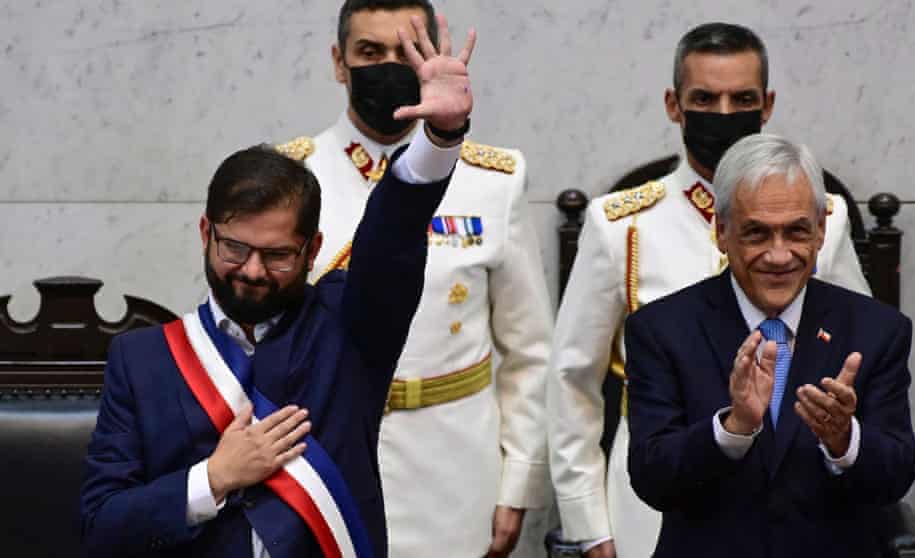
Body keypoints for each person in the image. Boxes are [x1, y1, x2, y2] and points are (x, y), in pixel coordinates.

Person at [79, 15, 475, 558]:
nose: (252, 271)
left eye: (278, 255)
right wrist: (214, 478)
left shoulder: (352, 328)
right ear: (205, 233)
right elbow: (102, 526)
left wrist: (441, 138)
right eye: (235, 249)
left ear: (312, 251)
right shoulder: (141, 360)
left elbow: (394, 231)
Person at [547, 23, 871, 557]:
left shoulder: (824, 220)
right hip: (657, 495)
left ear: (766, 105)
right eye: (705, 98)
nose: (723, 114)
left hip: (795, 488)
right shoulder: (622, 226)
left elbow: (862, 348)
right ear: (674, 105)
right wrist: (588, 524)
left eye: (741, 98)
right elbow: (571, 380)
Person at [276, 2, 552, 556]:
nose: (386, 66)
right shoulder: (289, 176)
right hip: (321, 460)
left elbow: (529, 351)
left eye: (402, 52)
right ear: (338, 62)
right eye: (368, 53)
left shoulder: (492, 180)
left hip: (452, 468)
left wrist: (517, 484)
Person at [626, 133, 915, 557]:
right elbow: (652, 478)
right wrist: (733, 429)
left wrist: (844, 440)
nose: (779, 256)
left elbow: (897, 475)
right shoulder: (660, 329)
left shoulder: (876, 330)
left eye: (796, 231)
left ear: (820, 230)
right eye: (757, 234)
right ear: (721, 232)